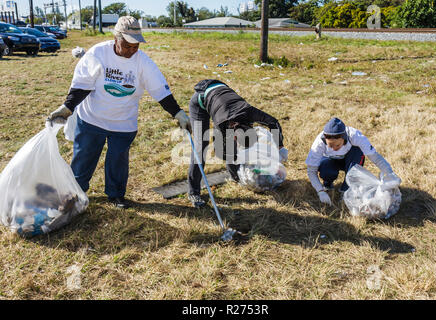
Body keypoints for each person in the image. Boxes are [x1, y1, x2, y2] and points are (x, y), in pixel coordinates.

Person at [47, 16, 191, 209]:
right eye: (128, 45)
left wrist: (178, 113)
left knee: (118, 161)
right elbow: (82, 85)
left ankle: (116, 195)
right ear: (116, 38)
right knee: (83, 160)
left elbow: (160, 91)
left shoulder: (143, 62)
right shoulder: (98, 53)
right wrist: (67, 107)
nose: (132, 50)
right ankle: (74, 194)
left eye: (136, 45)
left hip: (123, 122)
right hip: (92, 119)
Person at [187, 79, 288, 208]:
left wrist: (280, 146)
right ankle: (193, 192)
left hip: (222, 96)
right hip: (200, 101)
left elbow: (274, 123)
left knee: (231, 151)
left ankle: (235, 177)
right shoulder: (222, 123)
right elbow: (224, 153)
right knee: (201, 147)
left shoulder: (250, 112)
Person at [306, 117, 398, 205]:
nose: (334, 149)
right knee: (327, 171)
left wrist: (390, 173)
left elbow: (375, 157)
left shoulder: (355, 136)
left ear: (344, 137)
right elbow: (311, 170)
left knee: (357, 151)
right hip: (329, 160)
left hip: (349, 159)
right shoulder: (319, 143)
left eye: (337, 145)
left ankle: (346, 189)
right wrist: (320, 191)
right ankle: (328, 183)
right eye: (330, 146)